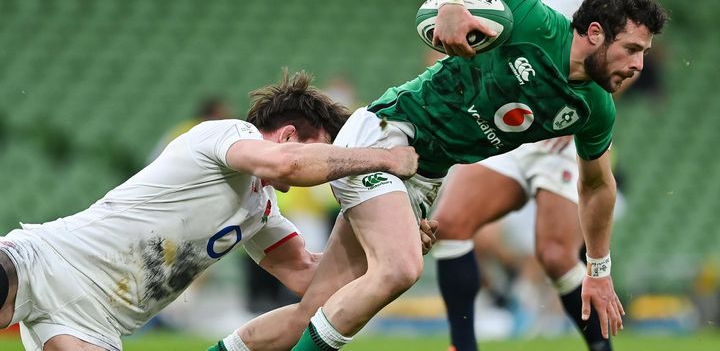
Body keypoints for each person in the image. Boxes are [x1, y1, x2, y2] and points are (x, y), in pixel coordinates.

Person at [215, 0, 668, 351]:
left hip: (423, 176)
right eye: (632, 49)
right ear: (594, 34)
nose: (638, 67)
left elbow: (596, 186)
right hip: (388, 137)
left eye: (643, 55)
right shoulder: (536, 24)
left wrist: (599, 269)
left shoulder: (595, 109)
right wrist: (450, 2)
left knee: (309, 314)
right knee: (400, 268)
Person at [0, 70, 429, 350]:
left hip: (94, 325)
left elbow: (307, 276)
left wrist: (387, 243)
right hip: (46, 260)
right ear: (287, 135)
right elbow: (289, 164)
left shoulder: (260, 208)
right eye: (327, 153)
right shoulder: (226, 135)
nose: (330, 174)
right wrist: (384, 159)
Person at [429, 0, 619, 350]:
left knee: (555, 255)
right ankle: (463, 345)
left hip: (563, 136)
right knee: (451, 224)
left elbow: (615, 64)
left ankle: (601, 347)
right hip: (506, 128)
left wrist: (582, 120)